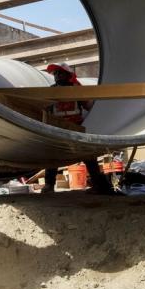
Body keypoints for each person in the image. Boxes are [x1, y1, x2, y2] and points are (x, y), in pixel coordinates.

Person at [41, 62, 114, 194]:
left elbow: (89, 106)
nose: (57, 76)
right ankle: (48, 185)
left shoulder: (77, 89)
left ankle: (98, 184)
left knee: (88, 155)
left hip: (76, 127)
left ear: (68, 75)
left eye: (60, 73)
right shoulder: (51, 90)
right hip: (58, 127)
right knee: (53, 154)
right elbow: (44, 108)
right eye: (55, 73)